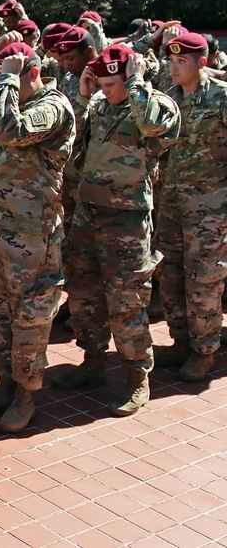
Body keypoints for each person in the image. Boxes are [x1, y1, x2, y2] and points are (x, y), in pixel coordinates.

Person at [51, 44, 179, 417]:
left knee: (127, 303)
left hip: (127, 221)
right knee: (85, 296)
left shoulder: (156, 104)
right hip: (89, 215)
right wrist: (85, 94)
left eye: (111, 83)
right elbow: (70, 138)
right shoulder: (100, 107)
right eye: (102, 83)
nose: (106, 89)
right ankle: (92, 361)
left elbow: (154, 125)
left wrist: (137, 81)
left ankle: (137, 376)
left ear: (132, 77)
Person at [0, 37, 75, 433]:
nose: (0, 84)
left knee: (30, 316)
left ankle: (26, 394)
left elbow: (10, 130)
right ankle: (3, 383)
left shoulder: (53, 107)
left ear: (34, 74)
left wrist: (6, 80)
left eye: (11, 78)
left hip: (32, 235)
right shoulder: (4, 95)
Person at [154, 33, 227, 381]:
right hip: (172, 203)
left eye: (182, 61)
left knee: (204, 281)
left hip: (211, 207)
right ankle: (181, 340)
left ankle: (205, 351)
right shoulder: (169, 100)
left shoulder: (221, 97)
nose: (174, 67)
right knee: (171, 274)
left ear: (203, 62)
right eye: (171, 61)